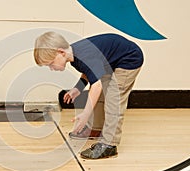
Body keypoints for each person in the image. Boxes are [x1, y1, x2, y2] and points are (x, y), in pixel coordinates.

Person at [34, 31, 144, 159]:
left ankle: (109, 145)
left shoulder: (83, 56)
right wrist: (78, 88)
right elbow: (90, 72)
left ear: (61, 52)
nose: (51, 68)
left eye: (51, 63)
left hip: (128, 60)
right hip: (111, 61)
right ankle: (96, 129)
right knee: (100, 95)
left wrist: (86, 114)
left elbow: (96, 85)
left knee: (113, 100)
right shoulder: (75, 57)